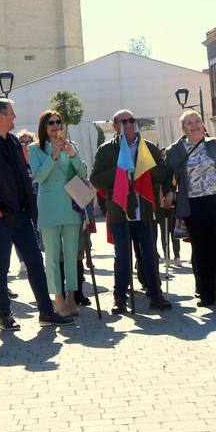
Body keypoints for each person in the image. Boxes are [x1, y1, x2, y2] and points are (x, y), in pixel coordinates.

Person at [0, 101, 73, 330]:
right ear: (0, 117)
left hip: (21, 215)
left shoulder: (14, 141)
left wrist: (30, 210)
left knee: (36, 263)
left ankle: (46, 312)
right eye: (11, 113)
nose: (15, 116)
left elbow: (24, 177)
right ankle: (5, 315)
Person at [91, 109, 174, 314]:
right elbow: (96, 179)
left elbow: (163, 174)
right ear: (114, 126)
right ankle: (119, 297)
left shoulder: (149, 148)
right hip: (120, 213)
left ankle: (156, 295)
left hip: (145, 212)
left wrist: (144, 168)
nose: (128, 124)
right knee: (122, 257)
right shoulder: (106, 150)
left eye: (131, 120)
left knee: (150, 255)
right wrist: (121, 170)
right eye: (122, 121)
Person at [164, 110, 216, 308]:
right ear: (183, 128)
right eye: (189, 123)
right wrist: (169, 191)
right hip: (194, 205)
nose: (194, 125)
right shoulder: (175, 150)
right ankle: (206, 293)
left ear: (203, 124)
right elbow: (167, 175)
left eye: (197, 121)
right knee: (202, 251)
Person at [27, 110, 86, 317]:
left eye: (58, 122)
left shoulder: (72, 146)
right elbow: (39, 177)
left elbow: (83, 172)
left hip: (70, 206)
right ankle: (58, 300)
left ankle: (71, 297)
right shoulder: (34, 149)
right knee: (52, 256)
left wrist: (72, 154)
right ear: (43, 126)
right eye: (50, 122)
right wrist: (53, 155)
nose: (55, 126)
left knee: (71, 255)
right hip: (49, 208)